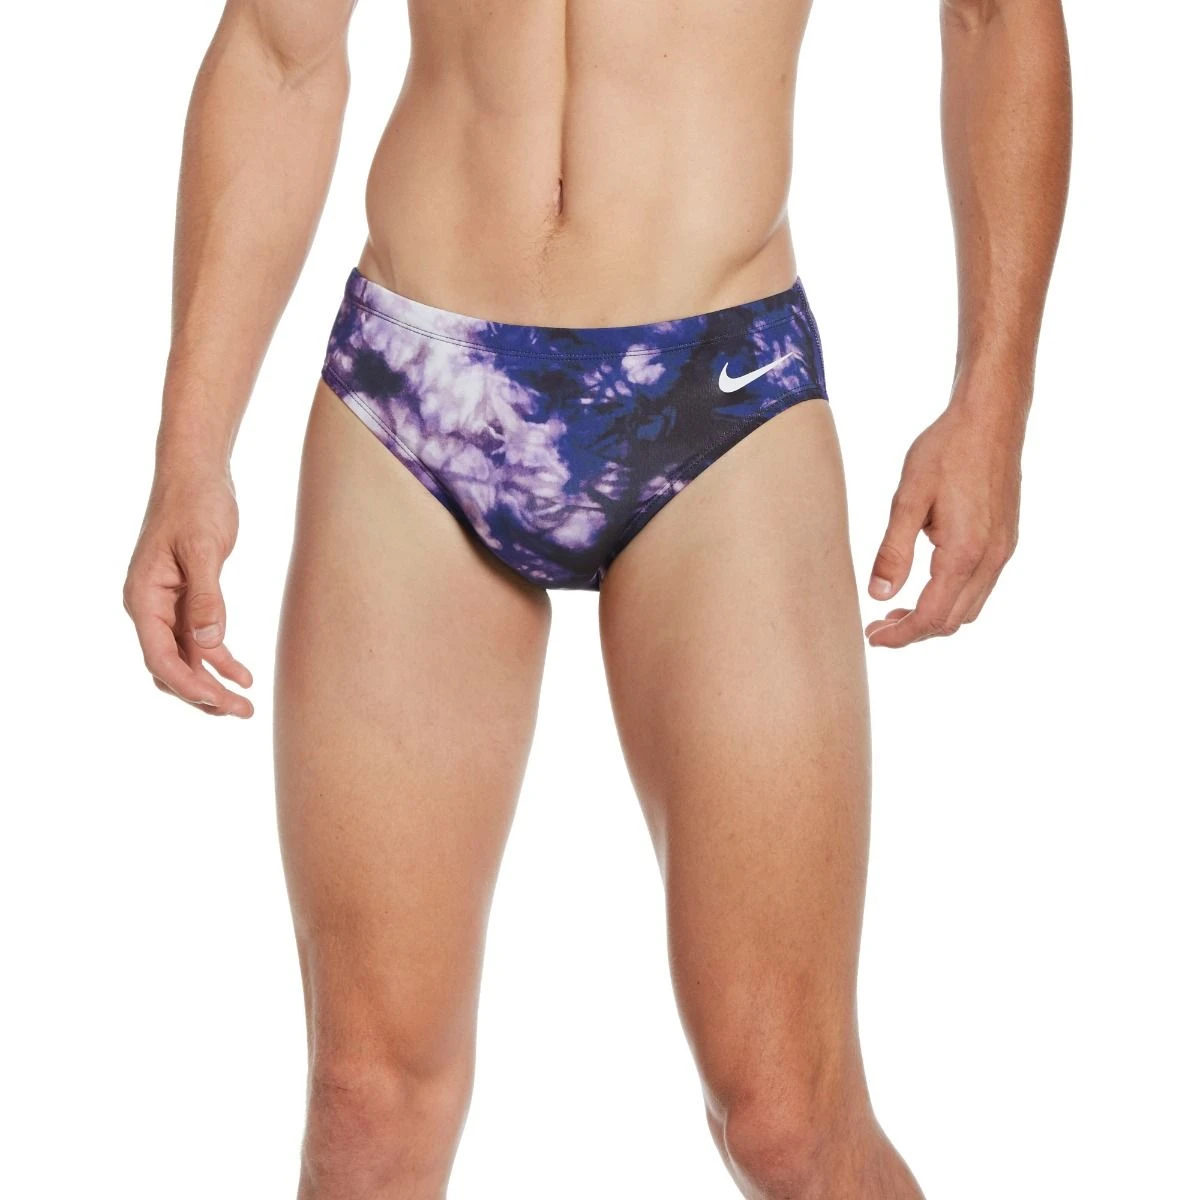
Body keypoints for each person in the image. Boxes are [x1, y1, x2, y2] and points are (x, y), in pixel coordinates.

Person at [122, 0, 1071, 1195]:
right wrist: (190, 453)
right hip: (417, 376)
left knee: (786, 1113)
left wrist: (992, 405)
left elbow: (995, 16)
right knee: (367, 1108)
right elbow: (278, 49)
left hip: (718, 390)